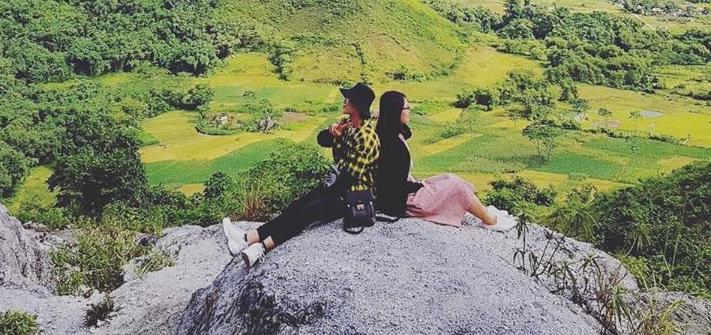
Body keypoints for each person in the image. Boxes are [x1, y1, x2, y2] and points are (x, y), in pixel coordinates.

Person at [220, 82, 380, 266]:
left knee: (309, 211)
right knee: (297, 205)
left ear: (357, 106)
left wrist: (323, 194)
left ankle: (261, 248)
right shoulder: (349, 126)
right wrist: (333, 134)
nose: (344, 101)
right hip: (341, 186)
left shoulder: (366, 137)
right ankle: (247, 238)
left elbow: (350, 177)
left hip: (354, 196)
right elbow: (322, 140)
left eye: (348, 99)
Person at [374, 90, 516, 231]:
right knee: (456, 184)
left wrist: (382, 114)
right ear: (396, 111)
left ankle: (485, 212)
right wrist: (420, 186)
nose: (409, 110)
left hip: (405, 192)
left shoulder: (390, 132)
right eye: (406, 108)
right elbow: (395, 185)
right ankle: (490, 221)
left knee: (447, 178)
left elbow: (407, 132)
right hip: (405, 202)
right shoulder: (392, 145)